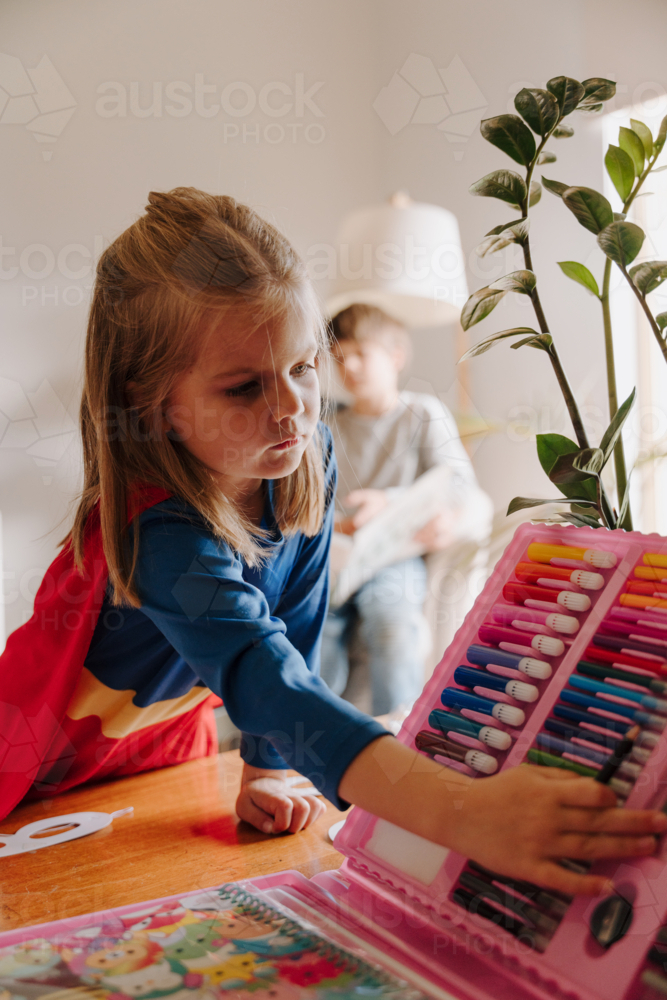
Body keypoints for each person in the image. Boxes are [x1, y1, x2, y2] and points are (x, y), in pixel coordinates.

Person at [1, 187, 664, 897]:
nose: (291, 407)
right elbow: (263, 674)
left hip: (155, 755)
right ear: (149, 401)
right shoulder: (155, 535)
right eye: (243, 388)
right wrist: (463, 813)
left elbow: (294, 620)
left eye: (303, 366)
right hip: (35, 760)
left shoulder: (304, 451)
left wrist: (265, 765)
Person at [321, 304, 489, 715]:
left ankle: (397, 730)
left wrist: (388, 503)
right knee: (313, 624)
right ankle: (318, 728)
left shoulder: (422, 414)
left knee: (391, 618)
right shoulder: (327, 426)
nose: (351, 367)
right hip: (339, 559)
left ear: (396, 356)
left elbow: (458, 485)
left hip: (394, 557)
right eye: (340, 358)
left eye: (362, 353)